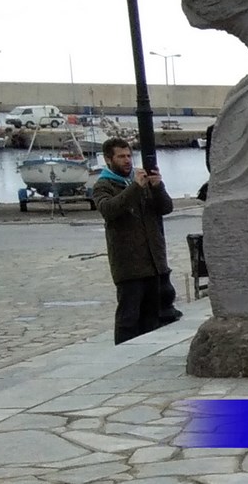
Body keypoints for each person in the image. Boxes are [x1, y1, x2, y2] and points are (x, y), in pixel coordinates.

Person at [93, 138, 175, 344]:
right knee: (128, 319)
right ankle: (124, 354)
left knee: (152, 318)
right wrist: (135, 188)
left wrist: (157, 186)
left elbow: (166, 208)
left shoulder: (141, 182)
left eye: (129, 155)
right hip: (128, 265)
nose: (127, 160)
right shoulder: (103, 185)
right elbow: (109, 210)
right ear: (108, 159)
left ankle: (148, 353)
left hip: (152, 263)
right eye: (121, 156)